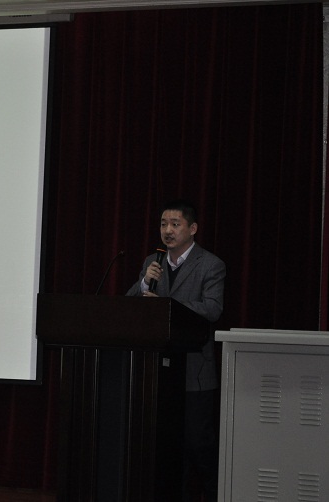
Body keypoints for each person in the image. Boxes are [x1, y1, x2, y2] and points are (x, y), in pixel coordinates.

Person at [126, 199, 225, 501]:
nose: (167, 230)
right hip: (158, 372)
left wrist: (167, 305)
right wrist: (145, 282)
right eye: (163, 224)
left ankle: (216, 494)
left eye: (175, 224)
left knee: (198, 444)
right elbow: (129, 304)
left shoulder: (210, 264)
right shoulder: (152, 261)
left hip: (194, 372)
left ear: (192, 229)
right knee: (165, 448)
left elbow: (212, 309)